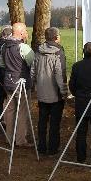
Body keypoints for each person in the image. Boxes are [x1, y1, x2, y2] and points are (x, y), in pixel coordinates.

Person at [31, 27, 68, 155]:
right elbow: (60, 74)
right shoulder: (59, 52)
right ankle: (53, 148)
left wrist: (35, 87)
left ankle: (41, 146)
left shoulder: (38, 51)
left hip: (41, 93)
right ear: (56, 37)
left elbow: (33, 72)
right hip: (55, 95)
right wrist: (64, 93)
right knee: (54, 123)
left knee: (42, 121)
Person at [1, 22, 35, 147]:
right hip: (21, 83)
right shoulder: (23, 47)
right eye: (25, 31)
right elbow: (33, 64)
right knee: (22, 111)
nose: (27, 33)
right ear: (21, 33)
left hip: (8, 81)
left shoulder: (4, 46)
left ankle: (9, 138)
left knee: (10, 110)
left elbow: (2, 64)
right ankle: (20, 140)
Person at [0, 25, 12, 119]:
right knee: (6, 96)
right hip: (4, 73)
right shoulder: (4, 45)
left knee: (0, 96)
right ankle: (3, 118)